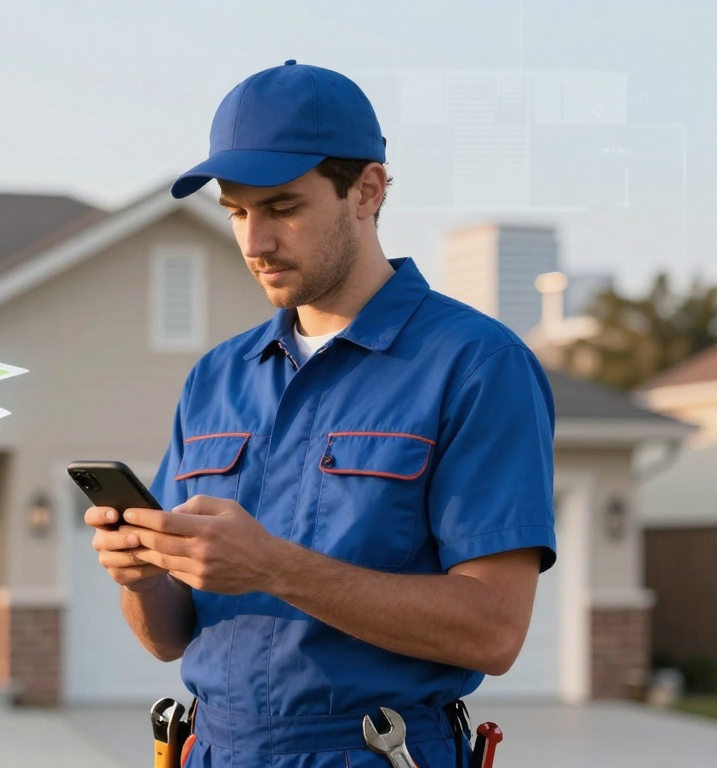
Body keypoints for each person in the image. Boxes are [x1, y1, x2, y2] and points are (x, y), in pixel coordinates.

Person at [85, 60, 556, 768]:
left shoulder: (477, 364)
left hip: (375, 752)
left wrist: (274, 568)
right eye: (237, 212)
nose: (253, 243)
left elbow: (493, 632)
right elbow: (169, 637)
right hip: (209, 749)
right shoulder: (215, 378)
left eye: (282, 208)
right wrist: (142, 576)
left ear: (368, 190)